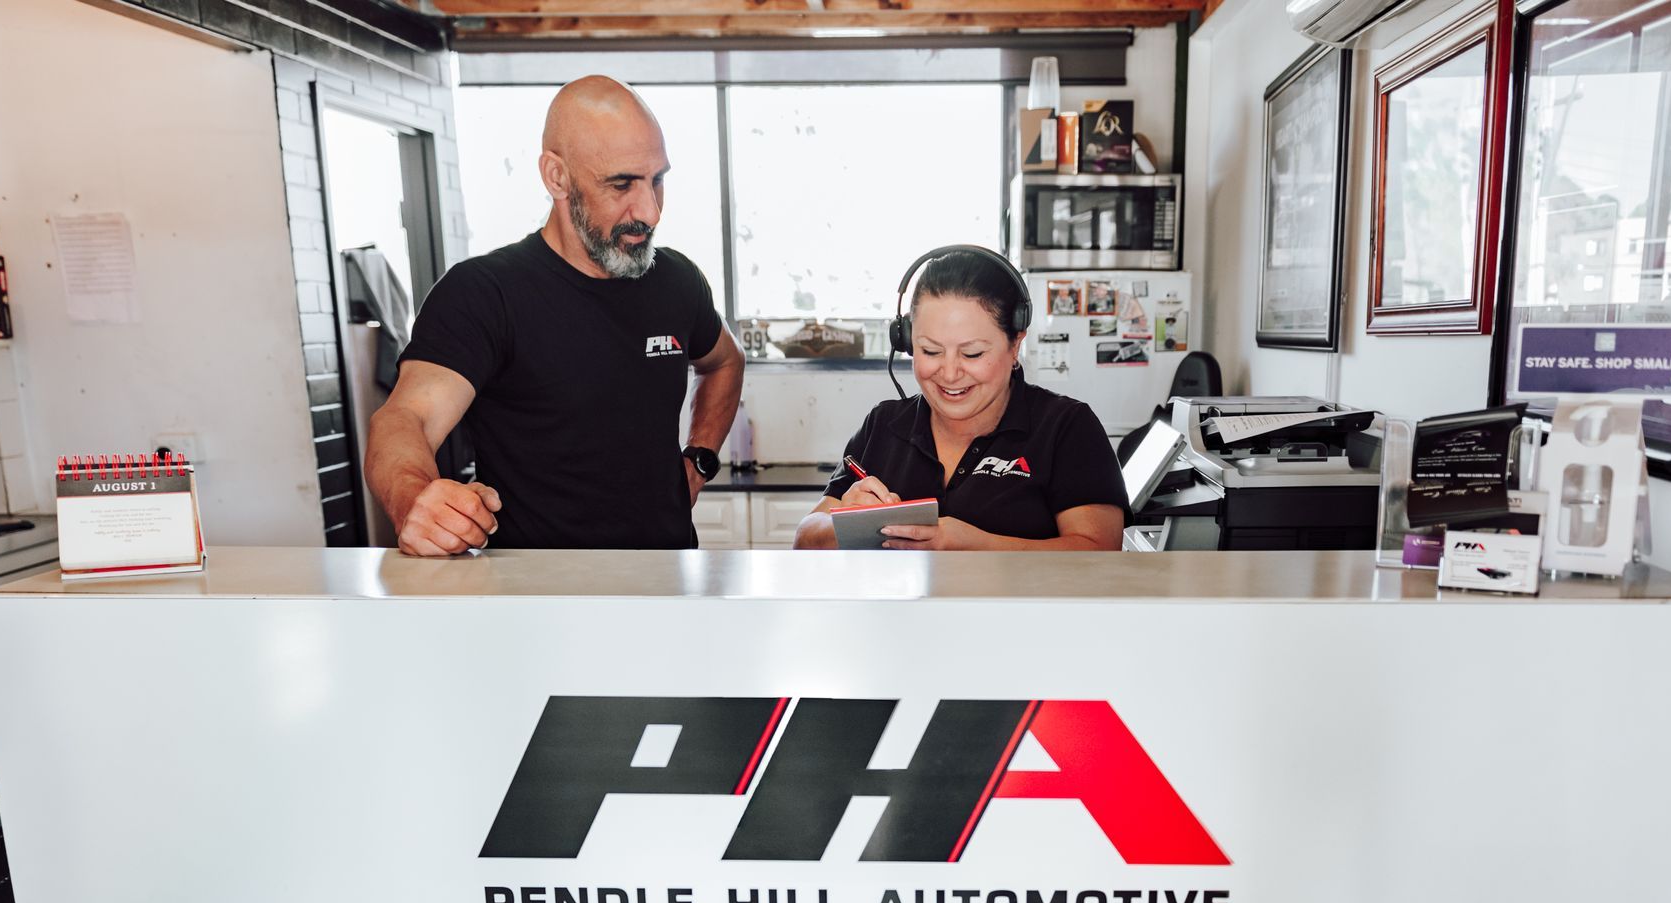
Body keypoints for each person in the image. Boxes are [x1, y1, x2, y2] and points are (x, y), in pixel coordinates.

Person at [364, 76, 744, 554]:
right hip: (534, 589)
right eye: (621, 183)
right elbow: (404, 420)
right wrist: (414, 499)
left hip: (666, 575)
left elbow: (725, 362)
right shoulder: (485, 293)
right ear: (557, 177)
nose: (649, 211)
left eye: (658, 179)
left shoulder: (677, 280)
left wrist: (701, 457)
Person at [793, 247, 1125, 551]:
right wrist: (845, 521)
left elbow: (1100, 552)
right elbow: (805, 538)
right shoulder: (884, 424)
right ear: (906, 341)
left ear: (1015, 345)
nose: (950, 373)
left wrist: (974, 546)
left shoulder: (1066, 427)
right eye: (931, 351)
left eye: (972, 353)